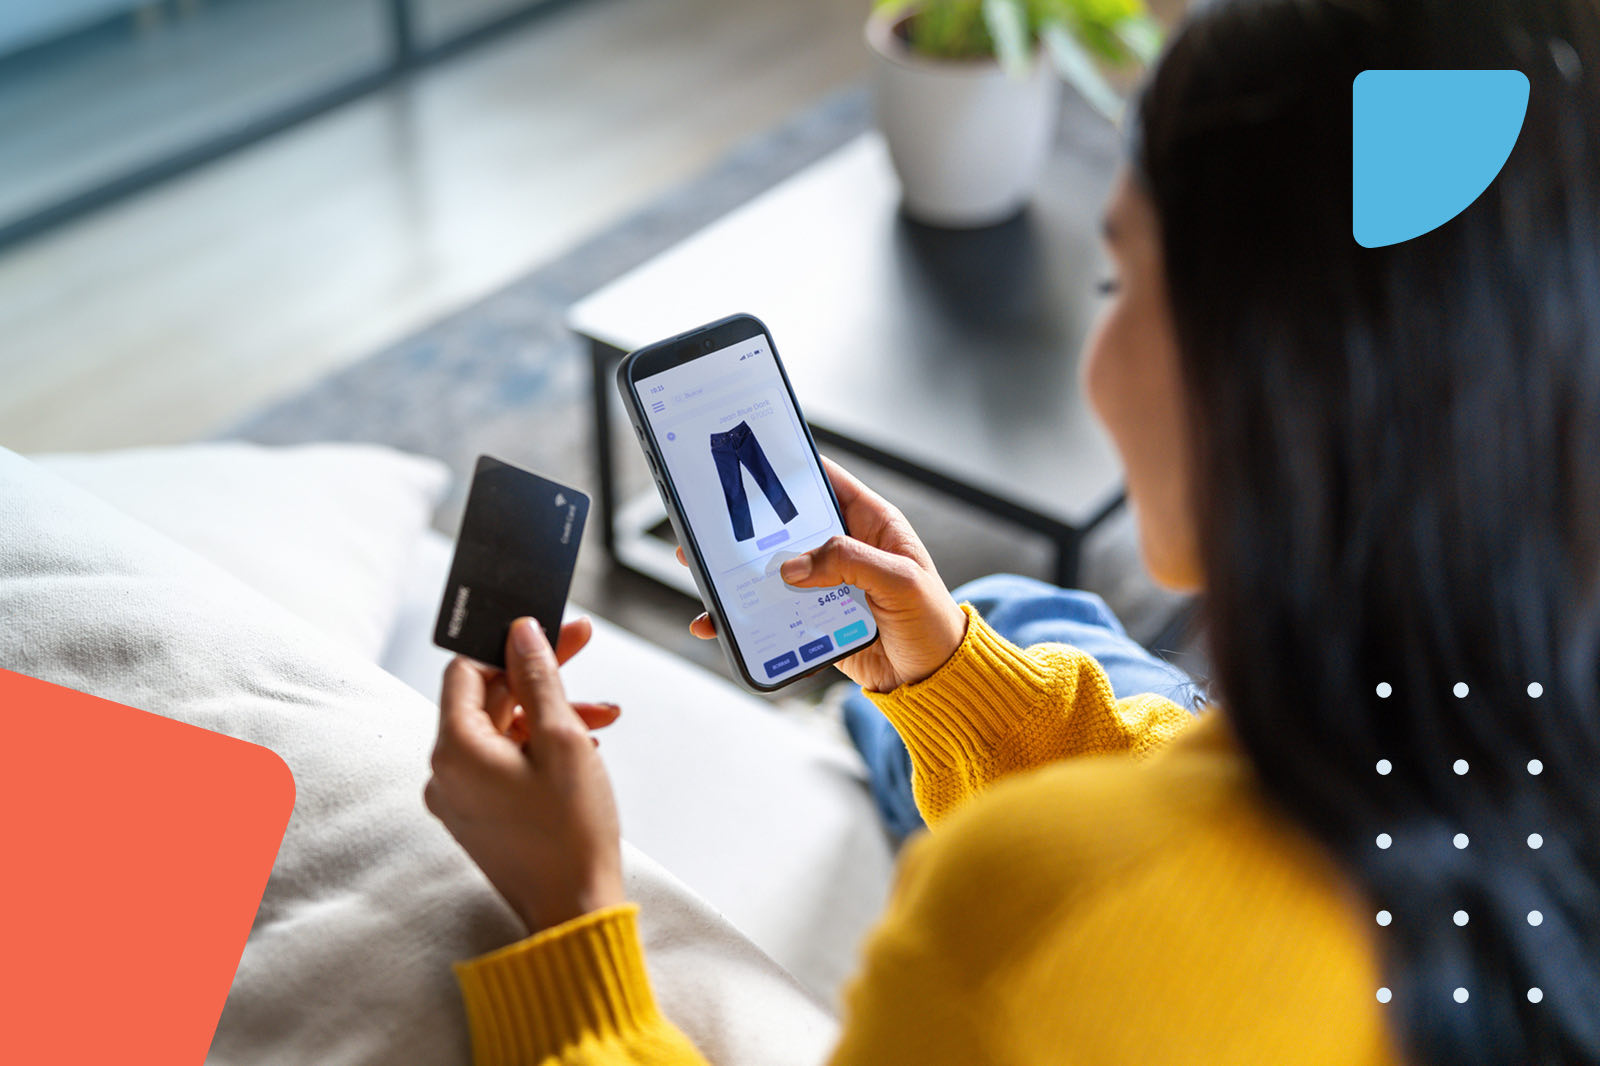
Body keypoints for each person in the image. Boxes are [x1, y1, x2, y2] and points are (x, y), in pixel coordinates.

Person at [422, 0, 1600, 1061]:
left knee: (1010, 638)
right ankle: (915, 690)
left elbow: (1142, 897)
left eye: (1117, 282)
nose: (1098, 352)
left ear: (1262, 381)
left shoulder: (1034, 915)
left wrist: (569, 909)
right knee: (1012, 624)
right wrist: (945, 673)